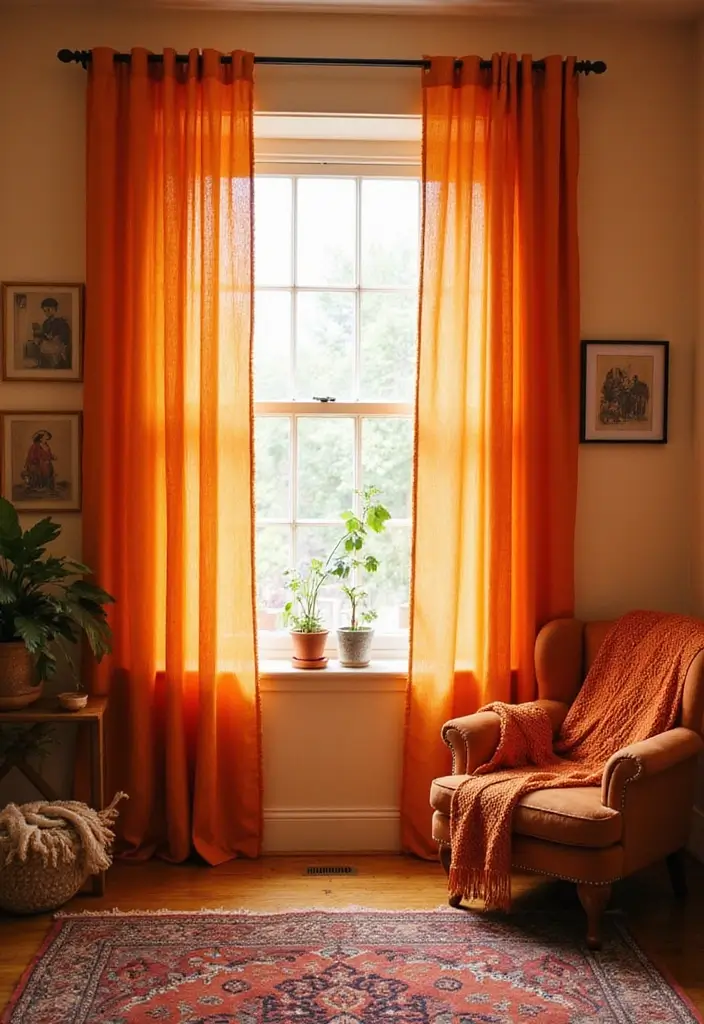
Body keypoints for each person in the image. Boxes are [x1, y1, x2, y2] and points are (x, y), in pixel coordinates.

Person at [34, 298, 72, 369]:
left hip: (58, 350)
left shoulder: (62, 323)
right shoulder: (45, 323)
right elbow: (44, 335)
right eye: (45, 311)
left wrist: (56, 340)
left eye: (49, 310)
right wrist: (41, 338)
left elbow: (65, 338)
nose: (47, 313)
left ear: (56, 309)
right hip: (47, 349)